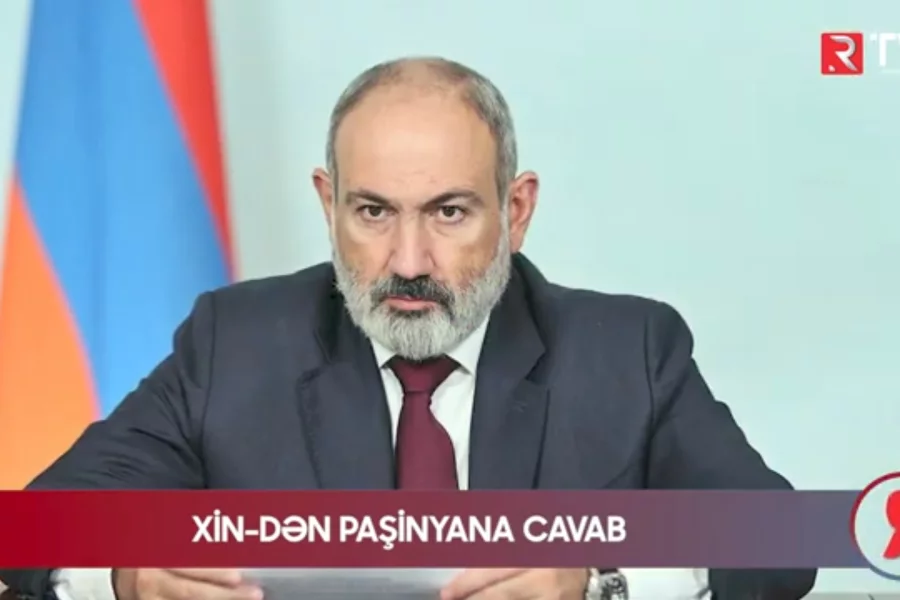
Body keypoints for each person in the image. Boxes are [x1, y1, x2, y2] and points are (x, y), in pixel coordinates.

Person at [0, 56, 816, 600]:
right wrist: (123, 575)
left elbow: (779, 542)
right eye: (373, 212)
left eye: (449, 212)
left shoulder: (626, 351)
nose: (408, 259)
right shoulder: (236, 344)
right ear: (329, 204)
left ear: (516, 211)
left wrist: (600, 578)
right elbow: (28, 531)